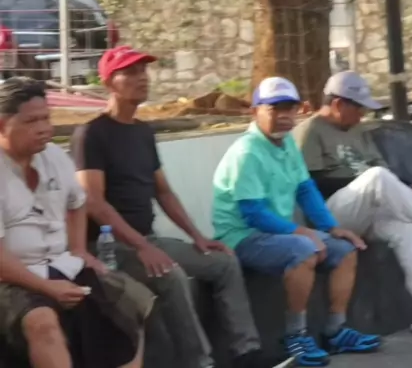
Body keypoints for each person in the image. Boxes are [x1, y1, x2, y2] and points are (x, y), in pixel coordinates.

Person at [70, 45, 294, 368]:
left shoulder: (142, 132)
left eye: (143, 70)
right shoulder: (91, 134)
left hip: (148, 239)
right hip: (109, 246)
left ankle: (247, 353)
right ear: (108, 82)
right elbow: (94, 202)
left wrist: (197, 237)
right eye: (130, 72)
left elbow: (163, 192)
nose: (142, 78)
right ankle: (200, 362)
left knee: (224, 263)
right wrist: (141, 246)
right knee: (171, 275)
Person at [292, 70, 412, 338]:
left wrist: (408, 187)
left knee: (406, 228)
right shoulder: (311, 131)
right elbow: (313, 184)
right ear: (338, 104)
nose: (362, 114)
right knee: (376, 177)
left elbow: (383, 172)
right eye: (358, 108)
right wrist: (366, 184)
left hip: (364, 210)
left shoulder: (359, 131)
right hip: (329, 216)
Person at [212, 76, 381, 368]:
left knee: (345, 249)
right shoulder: (247, 152)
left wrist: (331, 227)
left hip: (277, 233)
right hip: (243, 236)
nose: (283, 116)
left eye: (289, 108)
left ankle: (335, 331)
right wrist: (302, 232)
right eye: (274, 109)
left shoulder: (287, 142)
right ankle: (295, 336)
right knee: (304, 250)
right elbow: (253, 213)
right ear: (255, 112)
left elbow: (305, 189)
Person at [0, 77, 153, 368]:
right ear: (2, 125)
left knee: (131, 303)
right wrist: (48, 288)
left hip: (60, 264)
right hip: (12, 277)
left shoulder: (54, 156)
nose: (44, 128)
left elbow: (77, 202)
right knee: (43, 322)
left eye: (46, 118)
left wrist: (79, 250)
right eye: (31, 121)